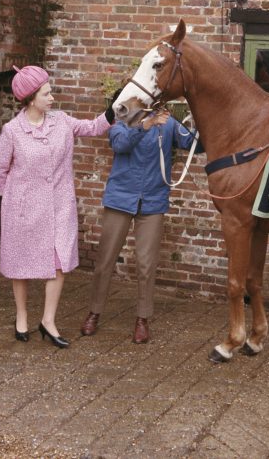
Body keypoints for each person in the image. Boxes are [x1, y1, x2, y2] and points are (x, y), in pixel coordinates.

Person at [0, 65, 112, 348]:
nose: (52, 97)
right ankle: (21, 316)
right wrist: (13, 198)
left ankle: (48, 321)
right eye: (47, 93)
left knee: (58, 262)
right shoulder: (12, 132)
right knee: (20, 263)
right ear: (31, 98)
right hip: (23, 210)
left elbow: (92, 127)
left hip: (59, 207)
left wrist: (112, 111)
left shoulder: (61, 121)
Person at [80, 107, 196, 344]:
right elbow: (120, 144)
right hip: (120, 199)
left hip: (153, 202)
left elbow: (194, 145)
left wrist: (200, 117)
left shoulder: (170, 123)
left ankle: (142, 319)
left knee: (146, 264)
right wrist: (146, 125)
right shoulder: (122, 120)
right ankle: (94, 311)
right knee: (105, 262)